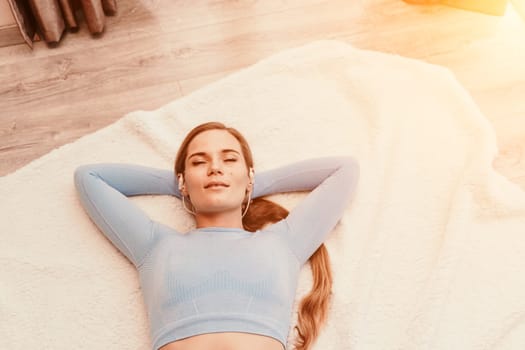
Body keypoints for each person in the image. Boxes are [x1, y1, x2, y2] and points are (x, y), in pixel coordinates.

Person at [74, 121, 359, 350]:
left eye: (229, 159)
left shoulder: (283, 243)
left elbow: (345, 170)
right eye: (199, 162)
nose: (215, 167)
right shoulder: (155, 246)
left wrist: (250, 184)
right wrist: (179, 183)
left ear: (250, 177)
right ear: (183, 181)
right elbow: (89, 178)